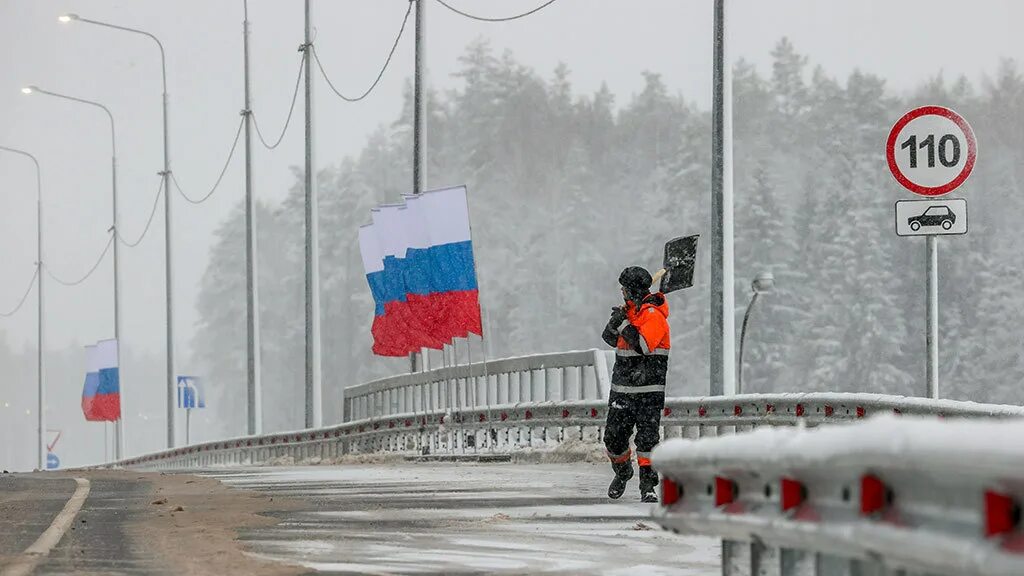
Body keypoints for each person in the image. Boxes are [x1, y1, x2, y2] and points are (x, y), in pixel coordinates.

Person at [601, 266, 670, 503]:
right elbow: (609, 338)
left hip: (648, 393)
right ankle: (623, 471)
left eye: (623, 287)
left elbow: (642, 344)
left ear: (631, 290)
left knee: (647, 442)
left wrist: (623, 325)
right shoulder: (629, 314)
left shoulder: (653, 316)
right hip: (621, 392)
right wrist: (616, 322)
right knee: (613, 438)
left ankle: (648, 486)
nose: (621, 291)